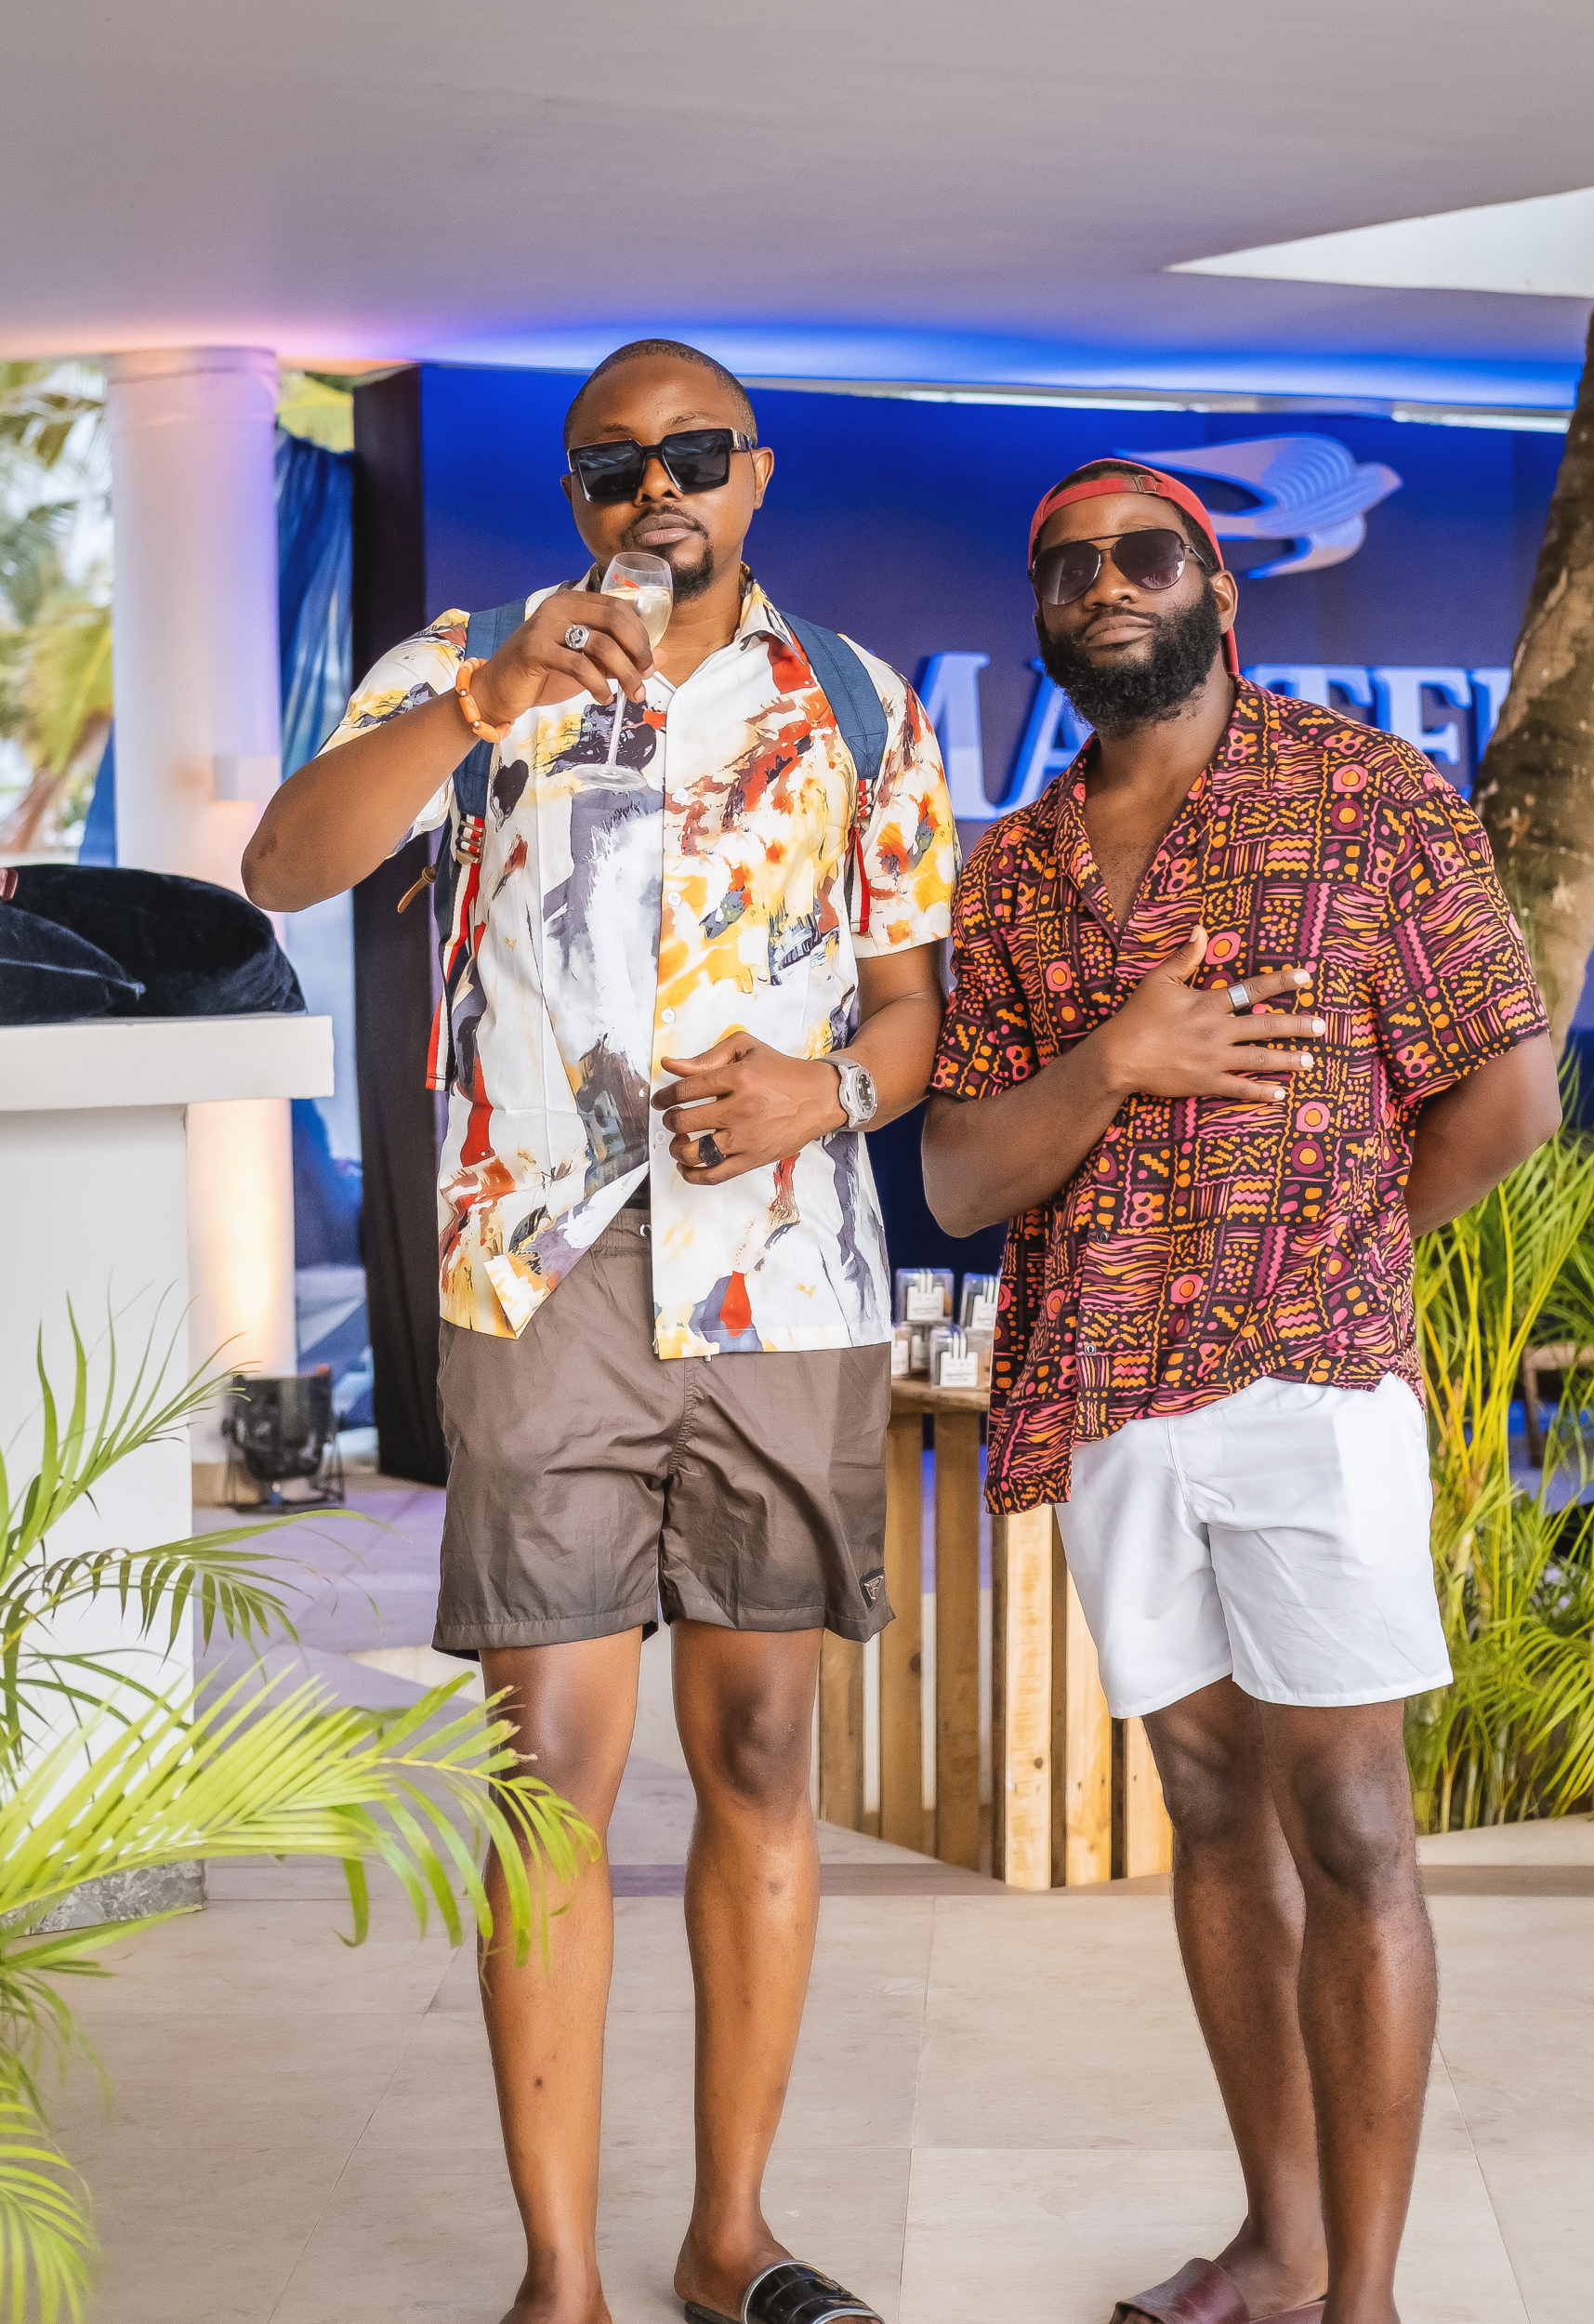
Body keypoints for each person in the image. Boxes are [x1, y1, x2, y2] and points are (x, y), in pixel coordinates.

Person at [244, 339, 957, 2324]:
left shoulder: (862, 703)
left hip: (783, 1279)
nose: (658, 489)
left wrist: (833, 1092)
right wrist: (478, 705)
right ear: (573, 493)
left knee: (758, 1745)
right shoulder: (472, 663)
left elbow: (909, 1004)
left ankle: (730, 2235)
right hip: (540, 1272)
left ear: (756, 474)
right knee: (545, 1763)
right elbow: (285, 865)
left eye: (694, 454)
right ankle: (556, 2274)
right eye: (614, 464)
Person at [922, 458, 1559, 2324]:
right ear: (1041, 614)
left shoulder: (1367, 795)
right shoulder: (1010, 869)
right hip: (1108, 1395)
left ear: (1218, 584)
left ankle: (1363, 2297)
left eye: (1144, 553)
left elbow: (1506, 1094)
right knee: (1207, 1807)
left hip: (1309, 1385)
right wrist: (1118, 1057)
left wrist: (1339, 1254)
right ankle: (1279, 2245)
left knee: (1348, 1820)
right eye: (1066, 566)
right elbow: (957, 1179)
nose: (1103, 584)